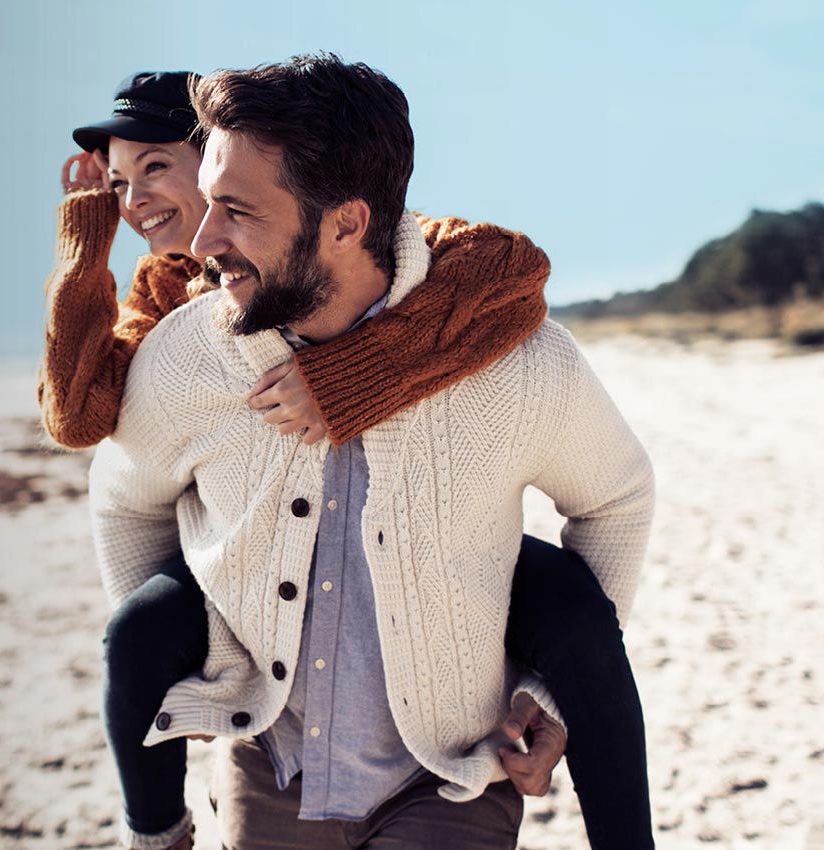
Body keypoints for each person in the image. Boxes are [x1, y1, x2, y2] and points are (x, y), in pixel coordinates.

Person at [58, 62, 655, 848]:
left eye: (236, 209)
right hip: (267, 768)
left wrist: (546, 693)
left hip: (449, 778)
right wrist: (194, 662)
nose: (203, 239)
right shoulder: (184, 355)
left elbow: (615, 497)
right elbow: (125, 498)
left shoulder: (512, 359)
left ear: (345, 223)